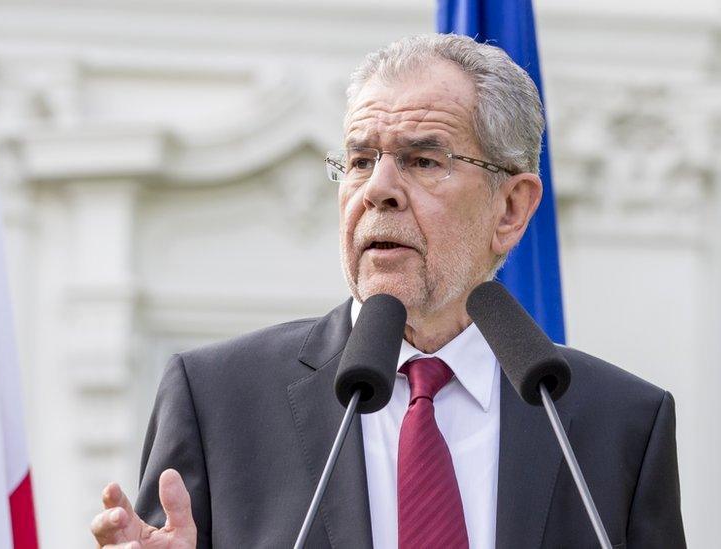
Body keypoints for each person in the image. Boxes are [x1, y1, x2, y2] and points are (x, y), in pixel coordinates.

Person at [90, 33, 686, 548]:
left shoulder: (617, 423)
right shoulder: (217, 401)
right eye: (358, 160)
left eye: (423, 160)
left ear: (511, 208)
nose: (379, 189)